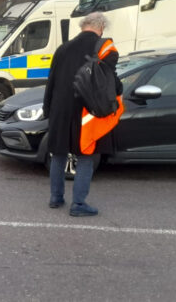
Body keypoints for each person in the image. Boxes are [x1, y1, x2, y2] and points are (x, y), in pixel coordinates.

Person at [42, 12, 122, 217]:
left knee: (59, 154)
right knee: (87, 155)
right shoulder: (105, 48)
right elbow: (112, 83)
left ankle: (56, 197)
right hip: (89, 111)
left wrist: (47, 109)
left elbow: (51, 82)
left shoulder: (62, 48)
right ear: (101, 27)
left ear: (82, 26)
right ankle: (78, 204)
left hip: (60, 109)